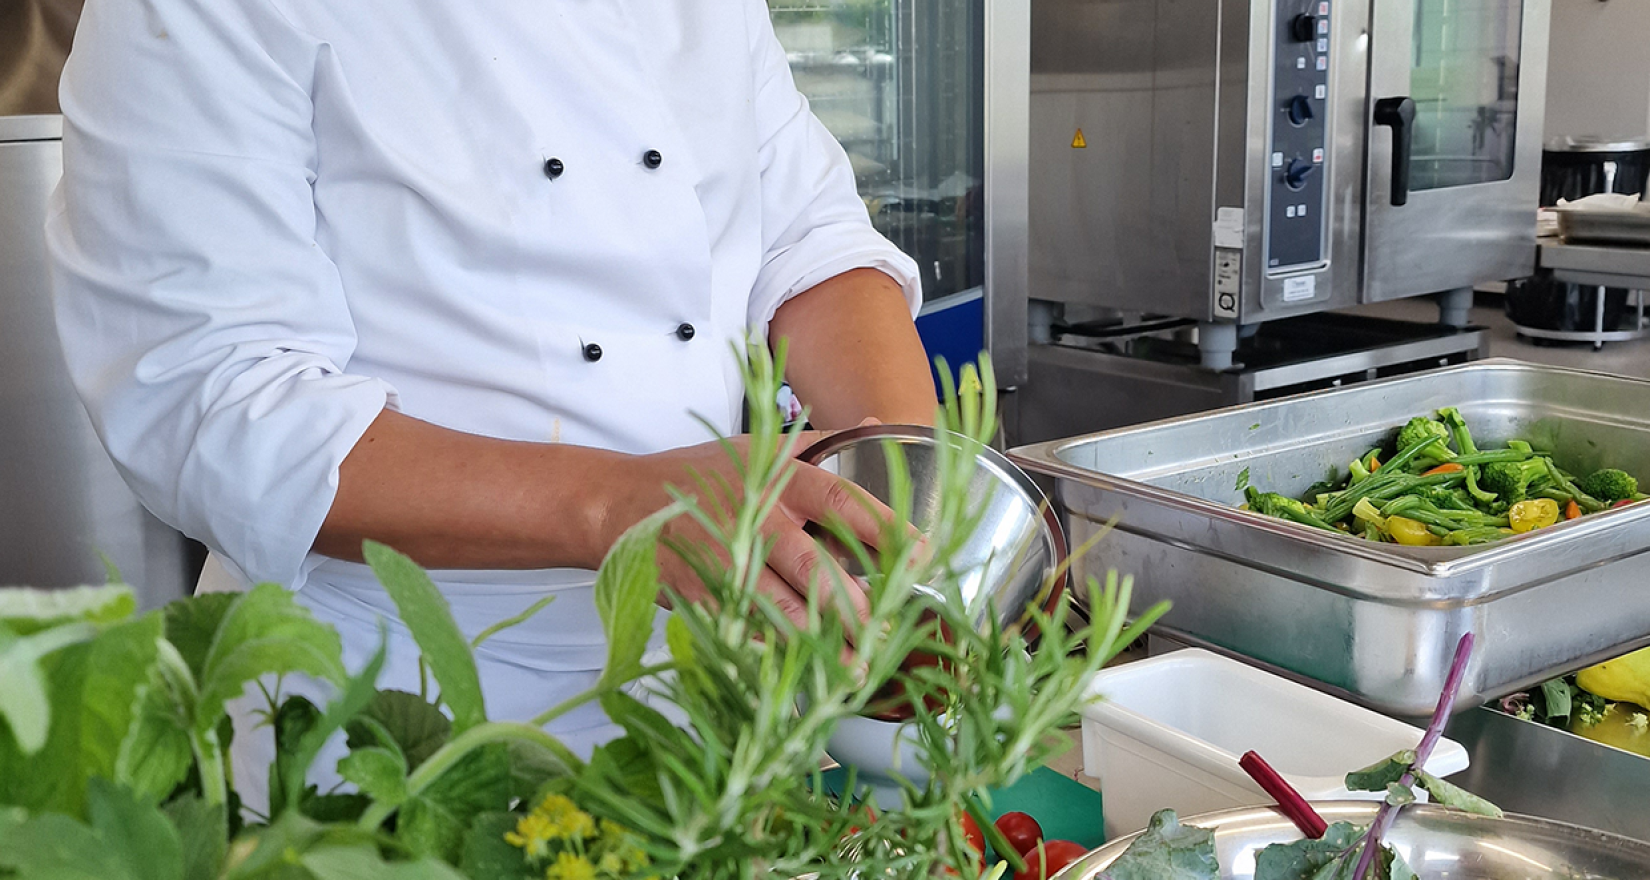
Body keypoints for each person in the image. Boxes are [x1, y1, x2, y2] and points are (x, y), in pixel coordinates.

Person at [46, 0, 937, 811]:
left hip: (711, 704)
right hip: (386, 720)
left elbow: (812, 244)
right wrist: (620, 506)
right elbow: (212, 393)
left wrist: (920, 521)